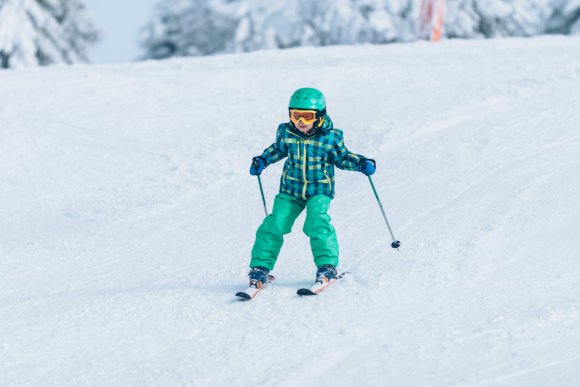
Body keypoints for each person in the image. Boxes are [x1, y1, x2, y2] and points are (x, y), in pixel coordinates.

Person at [247, 88, 376, 289]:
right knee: (274, 224)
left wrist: (361, 163)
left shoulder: (331, 137)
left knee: (317, 222)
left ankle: (327, 266)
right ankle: (260, 268)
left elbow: (342, 158)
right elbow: (278, 149)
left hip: (320, 189)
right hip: (291, 189)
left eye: (307, 117)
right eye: (296, 116)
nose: (301, 122)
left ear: (320, 116)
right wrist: (263, 160)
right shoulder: (286, 132)